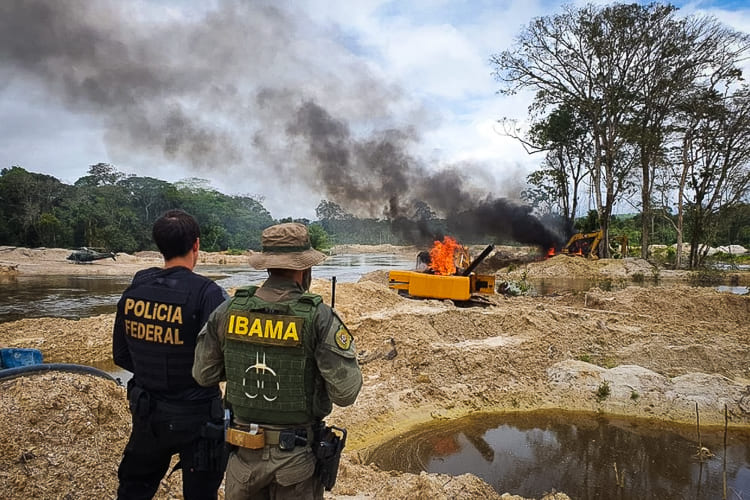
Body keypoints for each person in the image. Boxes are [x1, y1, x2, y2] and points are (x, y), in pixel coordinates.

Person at [193, 222, 363, 499]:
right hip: (295, 463)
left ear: (267, 265)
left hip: (242, 458)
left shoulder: (228, 311)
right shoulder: (319, 317)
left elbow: (203, 375)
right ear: (304, 267)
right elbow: (346, 393)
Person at [113, 209, 228, 500]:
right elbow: (218, 363)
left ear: (158, 246)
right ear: (196, 246)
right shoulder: (208, 293)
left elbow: (121, 355)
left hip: (148, 412)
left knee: (133, 490)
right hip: (198, 417)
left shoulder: (135, 290)